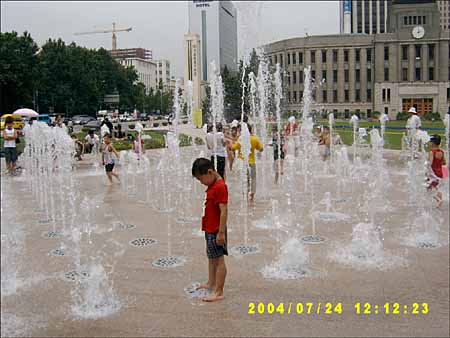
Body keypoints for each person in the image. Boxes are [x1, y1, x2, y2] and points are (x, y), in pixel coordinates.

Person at [191, 158, 228, 302]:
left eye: (202, 179)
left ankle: (219, 291)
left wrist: (221, 232)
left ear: (210, 172)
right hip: (210, 228)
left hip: (216, 230)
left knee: (219, 260)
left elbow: (224, 211)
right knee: (211, 257)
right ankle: (211, 283)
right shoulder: (214, 184)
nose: (202, 183)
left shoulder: (220, 187)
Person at [231, 124, 264, 202]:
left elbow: (233, 148)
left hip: (242, 163)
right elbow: (261, 149)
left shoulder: (241, 139)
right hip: (251, 162)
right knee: (253, 179)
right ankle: (251, 197)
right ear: (250, 129)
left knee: (244, 179)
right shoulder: (254, 138)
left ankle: (245, 196)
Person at [427, 134, 446, 208]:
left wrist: (427, 172)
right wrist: (445, 174)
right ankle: (439, 202)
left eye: (430, 141)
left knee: (428, 188)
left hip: (433, 173)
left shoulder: (432, 152)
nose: (429, 143)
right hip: (440, 172)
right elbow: (444, 162)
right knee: (437, 187)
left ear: (433, 143)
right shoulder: (441, 152)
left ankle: (439, 200)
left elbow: (430, 164)